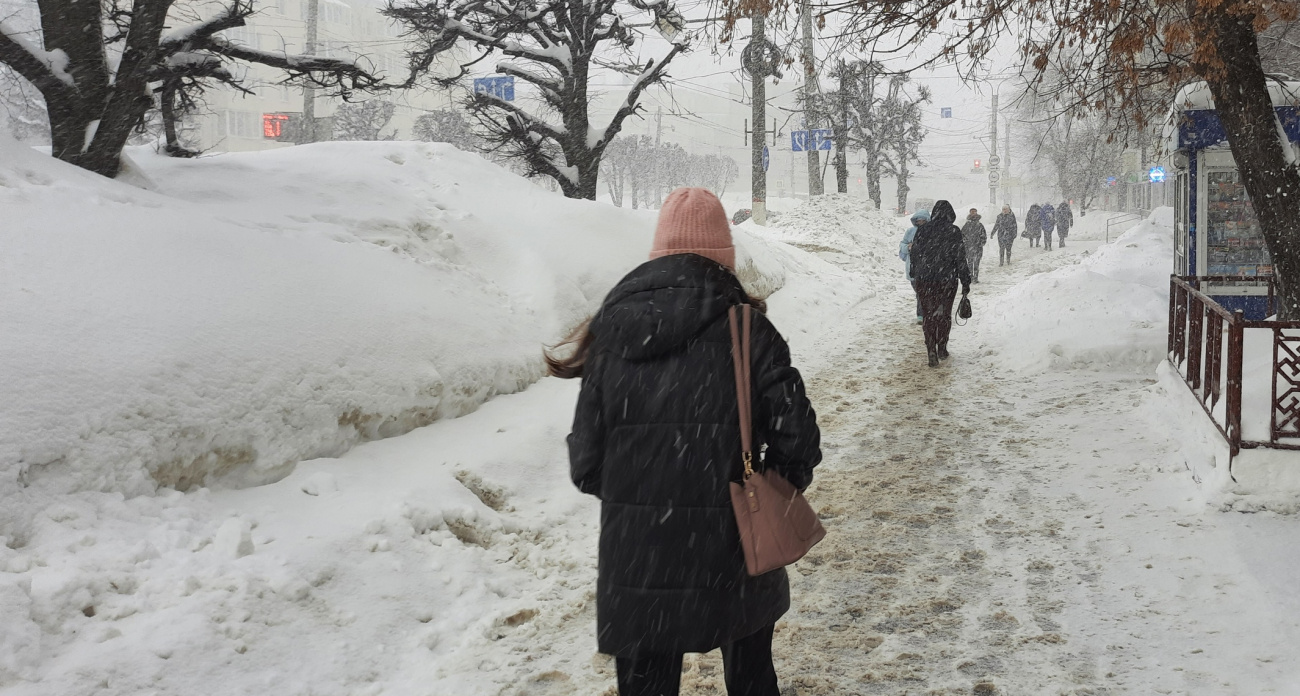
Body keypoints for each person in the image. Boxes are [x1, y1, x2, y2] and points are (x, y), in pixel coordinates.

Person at [548, 187, 823, 696]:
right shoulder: (747, 329)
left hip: (639, 559)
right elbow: (799, 439)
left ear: (658, 253)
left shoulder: (612, 333)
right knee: (752, 682)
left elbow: (587, 464)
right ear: (724, 258)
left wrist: (645, 495)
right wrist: (767, 487)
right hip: (735, 547)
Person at [910, 200, 972, 367]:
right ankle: (942, 347)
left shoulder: (923, 230)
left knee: (928, 316)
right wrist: (965, 280)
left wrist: (914, 273)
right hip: (947, 280)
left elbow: (915, 254)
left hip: (925, 279)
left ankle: (931, 350)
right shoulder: (954, 231)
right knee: (944, 315)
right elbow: (960, 258)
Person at [900, 208, 931, 323]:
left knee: (923, 292)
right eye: (918, 220)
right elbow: (902, 244)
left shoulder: (932, 232)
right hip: (913, 267)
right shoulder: (910, 231)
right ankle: (923, 312)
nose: (920, 223)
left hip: (927, 268)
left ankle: (922, 314)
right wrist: (908, 247)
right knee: (920, 292)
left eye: (923, 220)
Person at [961, 207, 987, 284]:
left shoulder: (980, 225)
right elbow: (962, 235)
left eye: (975, 212)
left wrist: (982, 242)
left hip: (978, 247)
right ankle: (970, 277)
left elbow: (983, 235)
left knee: (976, 263)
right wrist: (965, 242)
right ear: (970, 213)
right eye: (972, 212)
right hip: (968, 247)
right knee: (969, 263)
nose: (973, 213)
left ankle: (975, 277)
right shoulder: (966, 225)